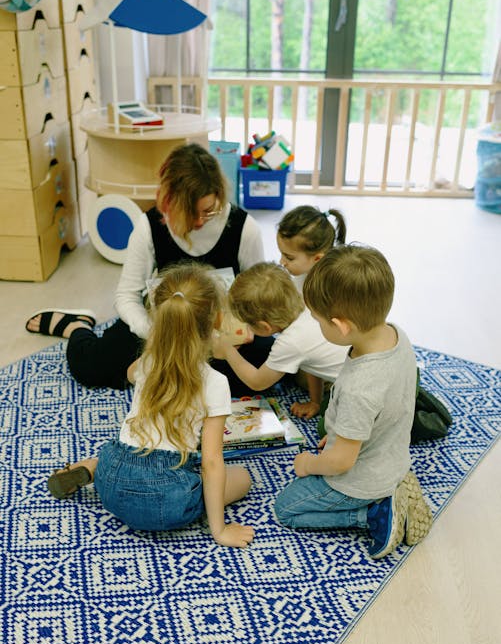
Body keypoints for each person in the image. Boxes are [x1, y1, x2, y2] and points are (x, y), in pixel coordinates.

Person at [25, 142, 272, 395]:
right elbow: (126, 296)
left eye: (208, 211)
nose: (199, 221)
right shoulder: (148, 226)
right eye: (189, 213)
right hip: (166, 324)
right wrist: (156, 334)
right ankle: (76, 326)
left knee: (264, 369)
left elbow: (262, 295)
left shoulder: (245, 228)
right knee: (90, 366)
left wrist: (245, 329)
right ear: (169, 203)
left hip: (221, 332)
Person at [46, 262, 255, 548]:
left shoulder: (148, 362)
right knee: (242, 477)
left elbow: (132, 374)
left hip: (111, 481)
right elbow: (211, 462)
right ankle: (96, 469)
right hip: (166, 504)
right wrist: (219, 531)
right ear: (217, 321)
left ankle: (93, 468)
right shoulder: (215, 382)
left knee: (133, 452)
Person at [273, 245, 433, 559]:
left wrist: (310, 464)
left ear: (342, 326)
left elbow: (342, 462)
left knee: (286, 508)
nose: (317, 327)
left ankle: (373, 514)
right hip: (391, 455)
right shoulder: (395, 335)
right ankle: (391, 490)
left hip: (361, 481)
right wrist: (337, 435)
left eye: (319, 321)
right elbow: (383, 412)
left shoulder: (360, 387)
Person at [212, 261, 347, 419]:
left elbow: (257, 382)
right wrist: (315, 402)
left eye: (249, 324)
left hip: (361, 391)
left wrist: (228, 351)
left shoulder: (290, 342)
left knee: (326, 427)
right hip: (367, 374)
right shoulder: (308, 306)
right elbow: (311, 363)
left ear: (265, 327)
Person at [276, 205, 346, 293]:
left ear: (317, 258)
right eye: (281, 254)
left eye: (289, 258)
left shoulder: (327, 291)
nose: (281, 262)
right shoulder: (305, 271)